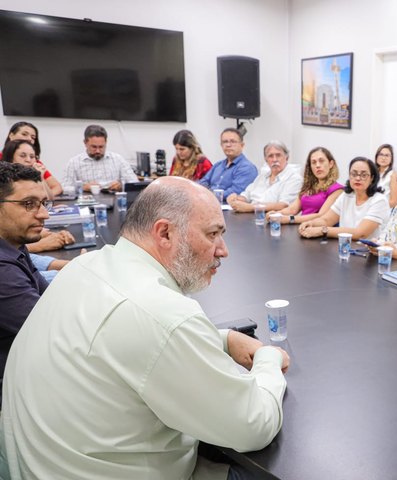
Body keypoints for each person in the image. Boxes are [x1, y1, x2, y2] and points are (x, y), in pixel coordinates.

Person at [0, 176, 290, 479]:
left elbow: (133, 343)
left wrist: (224, 339)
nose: (223, 250)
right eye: (213, 234)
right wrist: (268, 360)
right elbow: (253, 426)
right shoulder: (161, 312)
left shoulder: (86, 267)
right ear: (164, 233)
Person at [0, 162, 50, 402]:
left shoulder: (14, 245)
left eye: (43, 203)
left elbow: (49, 295)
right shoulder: (3, 270)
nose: (44, 214)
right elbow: (52, 330)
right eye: (29, 204)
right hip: (15, 387)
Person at [298, 157, 389, 241]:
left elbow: (361, 233)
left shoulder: (379, 200)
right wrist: (311, 223)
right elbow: (327, 220)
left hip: (369, 251)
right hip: (345, 247)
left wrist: (323, 230)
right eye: (354, 174)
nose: (358, 178)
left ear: (372, 178)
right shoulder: (346, 196)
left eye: (364, 175)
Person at [273, 146, 344, 225]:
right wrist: (276, 213)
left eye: (321, 161)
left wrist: (290, 219)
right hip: (302, 227)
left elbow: (321, 216)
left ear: (331, 164)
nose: (317, 165)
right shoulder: (309, 187)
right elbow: (292, 209)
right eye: (313, 162)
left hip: (318, 230)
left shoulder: (337, 189)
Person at [227, 140, 302, 213]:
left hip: (271, 218)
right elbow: (247, 195)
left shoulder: (294, 178)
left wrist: (250, 207)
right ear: (266, 160)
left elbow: (284, 205)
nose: (275, 159)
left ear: (287, 157)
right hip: (251, 215)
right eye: (270, 156)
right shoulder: (263, 176)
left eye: (278, 155)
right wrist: (236, 199)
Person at [62, 124, 138, 192]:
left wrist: (121, 186)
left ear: (106, 142)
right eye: (94, 147)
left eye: (101, 147)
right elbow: (64, 188)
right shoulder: (74, 163)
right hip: (87, 201)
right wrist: (82, 188)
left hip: (113, 200)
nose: (98, 151)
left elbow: (135, 183)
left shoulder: (118, 159)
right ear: (85, 143)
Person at [199, 128, 258, 199]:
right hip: (209, 201)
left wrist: (209, 195)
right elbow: (203, 182)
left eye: (233, 141)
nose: (228, 145)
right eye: (225, 142)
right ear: (221, 145)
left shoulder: (247, 168)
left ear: (242, 145)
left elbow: (235, 191)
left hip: (228, 205)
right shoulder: (218, 165)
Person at [375, 144, 397, 208]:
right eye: (381, 154)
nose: (383, 158)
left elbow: (394, 202)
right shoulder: (372, 173)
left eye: (387, 155)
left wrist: (376, 206)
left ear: (391, 159)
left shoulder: (393, 175)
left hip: (384, 209)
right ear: (376, 156)